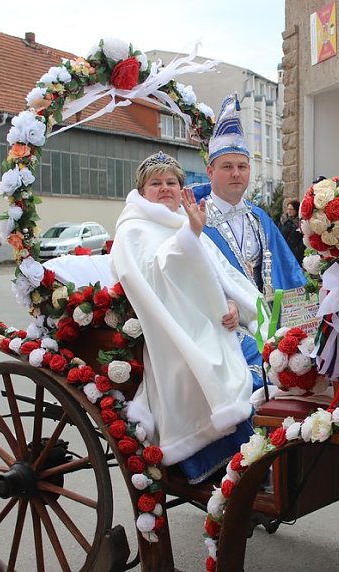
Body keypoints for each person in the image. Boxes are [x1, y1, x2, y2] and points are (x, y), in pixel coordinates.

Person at [110, 151, 264, 484]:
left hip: (212, 322)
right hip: (174, 331)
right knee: (220, 369)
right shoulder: (133, 228)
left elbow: (217, 275)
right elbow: (156, 275)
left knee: (264, 358)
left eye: (171, 182)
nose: (165, 189)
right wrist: (189, 236)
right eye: (156, 183)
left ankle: (266, 460)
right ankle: (235, 464)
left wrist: (232, 304)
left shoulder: (184, 218)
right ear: (142, 189)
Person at [190, 95, 305, 390]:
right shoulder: (194, 217)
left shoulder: (259, 218)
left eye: (242, 166)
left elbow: (288, 274)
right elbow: (185, 275)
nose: (236, 173)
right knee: (256, 381)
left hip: (266, 322)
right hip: (221, 325)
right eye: (227, 166)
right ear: (210, 172)